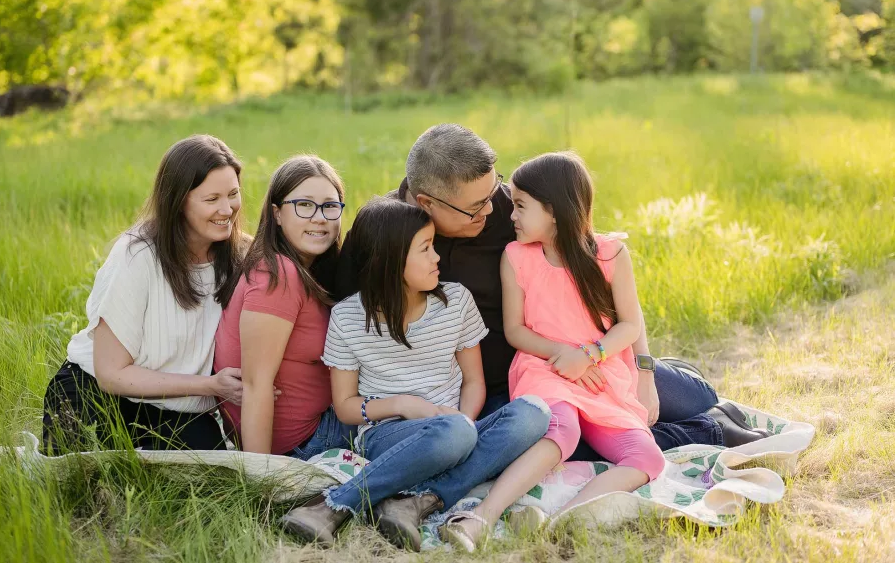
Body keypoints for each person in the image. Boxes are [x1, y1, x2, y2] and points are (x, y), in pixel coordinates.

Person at [335, 123, 770, 454]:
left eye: (495, 192)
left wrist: (640, 367)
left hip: (577, 357)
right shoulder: (381, 232)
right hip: (487, 390)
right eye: (476, 207)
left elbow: (595, 272)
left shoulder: (507, 207)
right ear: (426, 203)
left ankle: (687, 390)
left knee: (694, 396)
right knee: (554, 445)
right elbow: (343, 319)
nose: (495, 208)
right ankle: (706, 430)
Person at [280, 198, 551, 551]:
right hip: (387, 433)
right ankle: (333, 504)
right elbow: (346, 407)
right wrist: (406, 404)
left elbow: (474, 382)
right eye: (425, 249)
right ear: (389, 262)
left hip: (454, 425)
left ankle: (415, 502)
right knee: (454, 432)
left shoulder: (456, 301)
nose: (437, 257)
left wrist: (463, 425)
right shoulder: (347, 318)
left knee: (534, 413)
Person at [437, 151, 665, 549]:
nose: (511, 215)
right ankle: (480, 517)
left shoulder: (610, 254)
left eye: (521, 206)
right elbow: (515, 331)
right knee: (562, 430)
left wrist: (591, 354)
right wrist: (565, 355)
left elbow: (630, 324)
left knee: (649, 458)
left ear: (556, 211)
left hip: (600, 372)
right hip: (544, 367)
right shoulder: (517, 257)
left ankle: (562, 520)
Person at [42, 135, 245, 454]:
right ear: (178, 202)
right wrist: (211, 386)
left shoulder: (241, 257)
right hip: (96, 394)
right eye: (211, 199)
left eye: (233, 194)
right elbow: (111, 374)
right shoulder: (137, 256)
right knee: (86, 488)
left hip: (178, 410)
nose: (227, 209)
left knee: (214, 489)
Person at [213, 155, 357, 459]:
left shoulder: (304, 270)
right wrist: (263, 481)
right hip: (306, 442)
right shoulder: (277, 274)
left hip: (317, 427)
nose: (320, 217)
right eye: (304, 205)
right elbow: (256, 385)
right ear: (277, 214)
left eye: (330, 206)